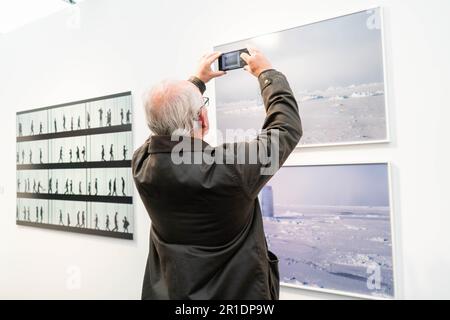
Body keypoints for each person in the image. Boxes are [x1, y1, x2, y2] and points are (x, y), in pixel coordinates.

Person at [132, 49, 302, 300]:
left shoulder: (142, 163)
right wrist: (267, 74)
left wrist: (195, 83)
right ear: (203, 117)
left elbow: (163, 124)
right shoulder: (230, 169)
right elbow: (285, 128)